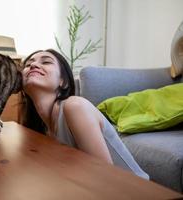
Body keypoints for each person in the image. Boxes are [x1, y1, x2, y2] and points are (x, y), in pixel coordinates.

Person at [20, 49, 149, 179]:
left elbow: (104, 176)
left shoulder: (75, 107)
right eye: (27, 65)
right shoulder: (39, 128)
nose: (33, 65)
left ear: (63, 82)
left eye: (46, 62)